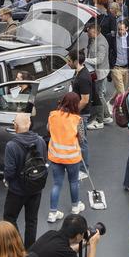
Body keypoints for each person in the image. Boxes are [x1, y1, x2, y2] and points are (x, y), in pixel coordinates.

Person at [2, 112, 47, 248]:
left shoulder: (11, 145)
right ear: (29, 124)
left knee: (9, 218)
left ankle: (18, 247)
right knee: (32, 220)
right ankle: (30, 249)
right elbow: (44, 161)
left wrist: (7, 181)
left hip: (17, 190)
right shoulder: (40, 141)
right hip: (36, 187)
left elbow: (9, 171)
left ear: (15, 126)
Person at [46, 92, 83, 224]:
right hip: (72, 157)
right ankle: (75, 207)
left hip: (55, 156)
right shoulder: (77, 119)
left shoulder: (52, 115)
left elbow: (48, 130)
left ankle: (52, 212)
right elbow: (82, 138)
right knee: (73, 182)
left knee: (56, 184)